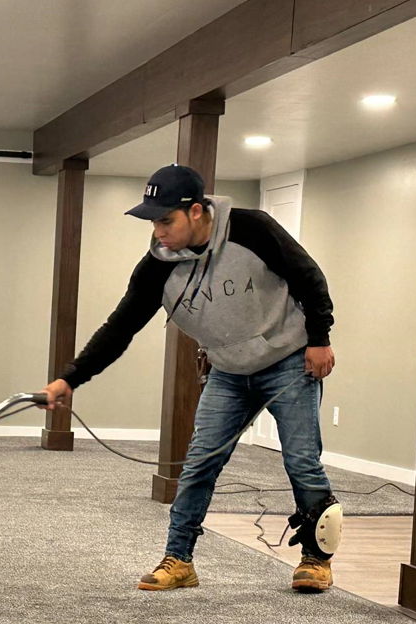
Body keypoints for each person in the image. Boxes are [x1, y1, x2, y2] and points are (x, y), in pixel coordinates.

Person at [40, 164, 342, 593]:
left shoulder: (252, 230)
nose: (158, 231)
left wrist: (319, 338)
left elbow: (309, 278)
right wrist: (70, 378)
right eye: (153, 222)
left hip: (288, 361)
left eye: (166, 220)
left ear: (197, 211)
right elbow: (119, 328)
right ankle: (179, 559)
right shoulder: (158, 266)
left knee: (301, 460)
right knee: (200, 462)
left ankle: (316, 559)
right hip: (229, 370)